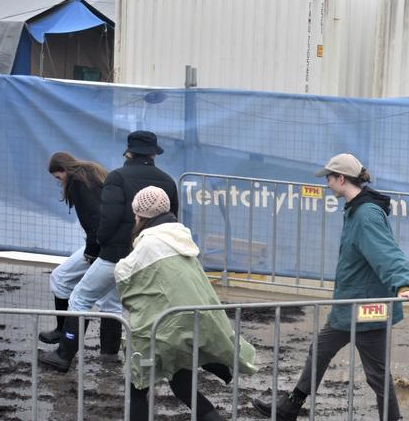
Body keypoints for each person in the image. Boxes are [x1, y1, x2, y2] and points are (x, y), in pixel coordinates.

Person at [252, 153, 409, 421]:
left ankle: (393, 418)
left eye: (329, 178)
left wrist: (404, 284)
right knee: (320, 349)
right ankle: (290, 407)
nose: (327, 184)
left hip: (366, 308)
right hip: (349, 304)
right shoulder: (355, 209)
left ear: (342, 179)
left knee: (376, 372)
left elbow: (387, 252)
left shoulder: (366, 215)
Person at [40, 131, 179, 372]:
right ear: (154, 154)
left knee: (80, 298)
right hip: (146, 254)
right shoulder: (167, 181)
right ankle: (109, 354)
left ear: (129, 152)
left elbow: (108, 217)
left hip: (115, 252)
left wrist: (101, 243)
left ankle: (64, 354)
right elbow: (171, 220)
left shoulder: (118, 177)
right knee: (113, 304)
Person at [114, 186, 257, 421]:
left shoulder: (150, 243)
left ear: (140, 215)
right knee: (182, 384)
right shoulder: (179, 237)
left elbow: (125, 276)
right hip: (188, 324)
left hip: (164, 329)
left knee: (137, 387)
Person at [39, 152, 122, 355]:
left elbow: (94, 217)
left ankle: (64, 335)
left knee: (62, 279)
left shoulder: (78, 181)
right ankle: (109, 357)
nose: (60, 183)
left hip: (102, 245)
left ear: (64, 170)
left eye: (58, 178)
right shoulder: (93, 172)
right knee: (111, 303)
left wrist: (91, 251)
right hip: (118, 243)